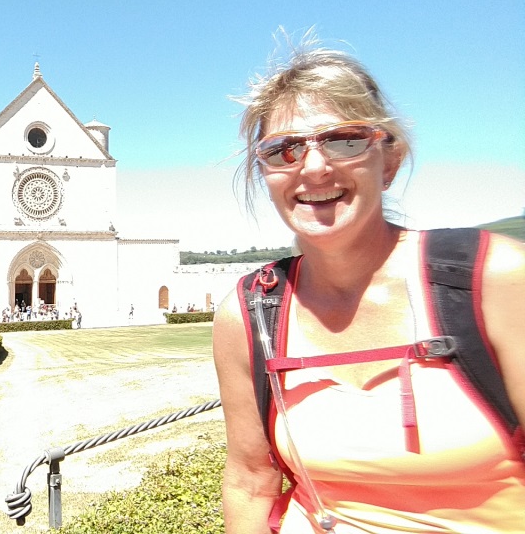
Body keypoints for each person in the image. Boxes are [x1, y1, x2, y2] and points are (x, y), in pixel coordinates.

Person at [213, 39, 525, 533]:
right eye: (284, 149)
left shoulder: (494, 281)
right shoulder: (251, 313)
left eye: (345, 139)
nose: (314, 167)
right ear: (265, 173)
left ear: (391, 160)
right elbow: (251, 480)